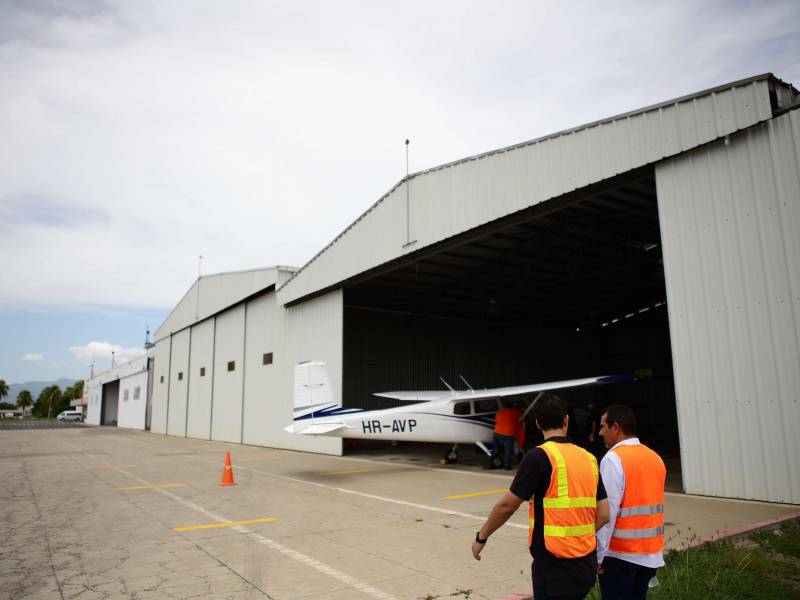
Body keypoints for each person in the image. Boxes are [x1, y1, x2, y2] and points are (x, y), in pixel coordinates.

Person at [472, 394, 610, 600]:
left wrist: (481, 537)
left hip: (555, 568)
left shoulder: (538, 457)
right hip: (585, 564)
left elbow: (507, 506)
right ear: (566, 420)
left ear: (537, 423)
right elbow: (605, 514)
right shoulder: (589, 458)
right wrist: (578, 537)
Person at [596, 405, 666, 599]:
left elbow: (607, 513)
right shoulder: (655, 458)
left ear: (615, 428)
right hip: (651, 555)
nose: (600, 433)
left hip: (620, 557)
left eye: (603, 426)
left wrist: (599, 555)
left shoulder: (613, 460)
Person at [493, 401, 521, 469]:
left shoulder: (499, 412)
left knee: (496, 450)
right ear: (512, 407)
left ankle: (495, 460)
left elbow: (496, 421)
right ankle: (507, 466)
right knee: (508, 451)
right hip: (508, 434)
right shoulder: (515, 412)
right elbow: (520, 418)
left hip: (496, 433)